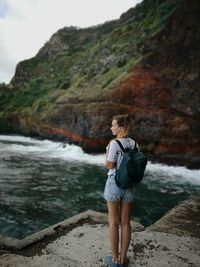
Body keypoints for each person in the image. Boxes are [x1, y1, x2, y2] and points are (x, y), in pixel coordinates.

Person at [103, 114, 138, 267]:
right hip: (129, 185)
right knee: (125, 222)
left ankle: (114, 260)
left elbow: (110, 165)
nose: (111, 128)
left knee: (113, 222)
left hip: (114, 183)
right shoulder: (135, 144)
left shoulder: (115, 144)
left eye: (113, 125)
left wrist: (107, 151)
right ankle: (123, 259)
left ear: (121, 128)